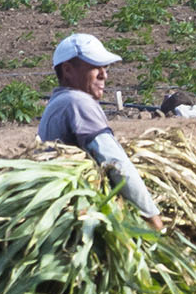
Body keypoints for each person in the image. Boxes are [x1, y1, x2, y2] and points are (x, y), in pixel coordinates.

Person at [38, 33, 163, 227]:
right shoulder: (77, 102)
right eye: (95, 67)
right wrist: (151, 216)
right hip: (80, 221)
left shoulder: (57, 103)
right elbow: (116, 163)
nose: (104, 75)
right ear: (68, 70)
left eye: (105, 67)